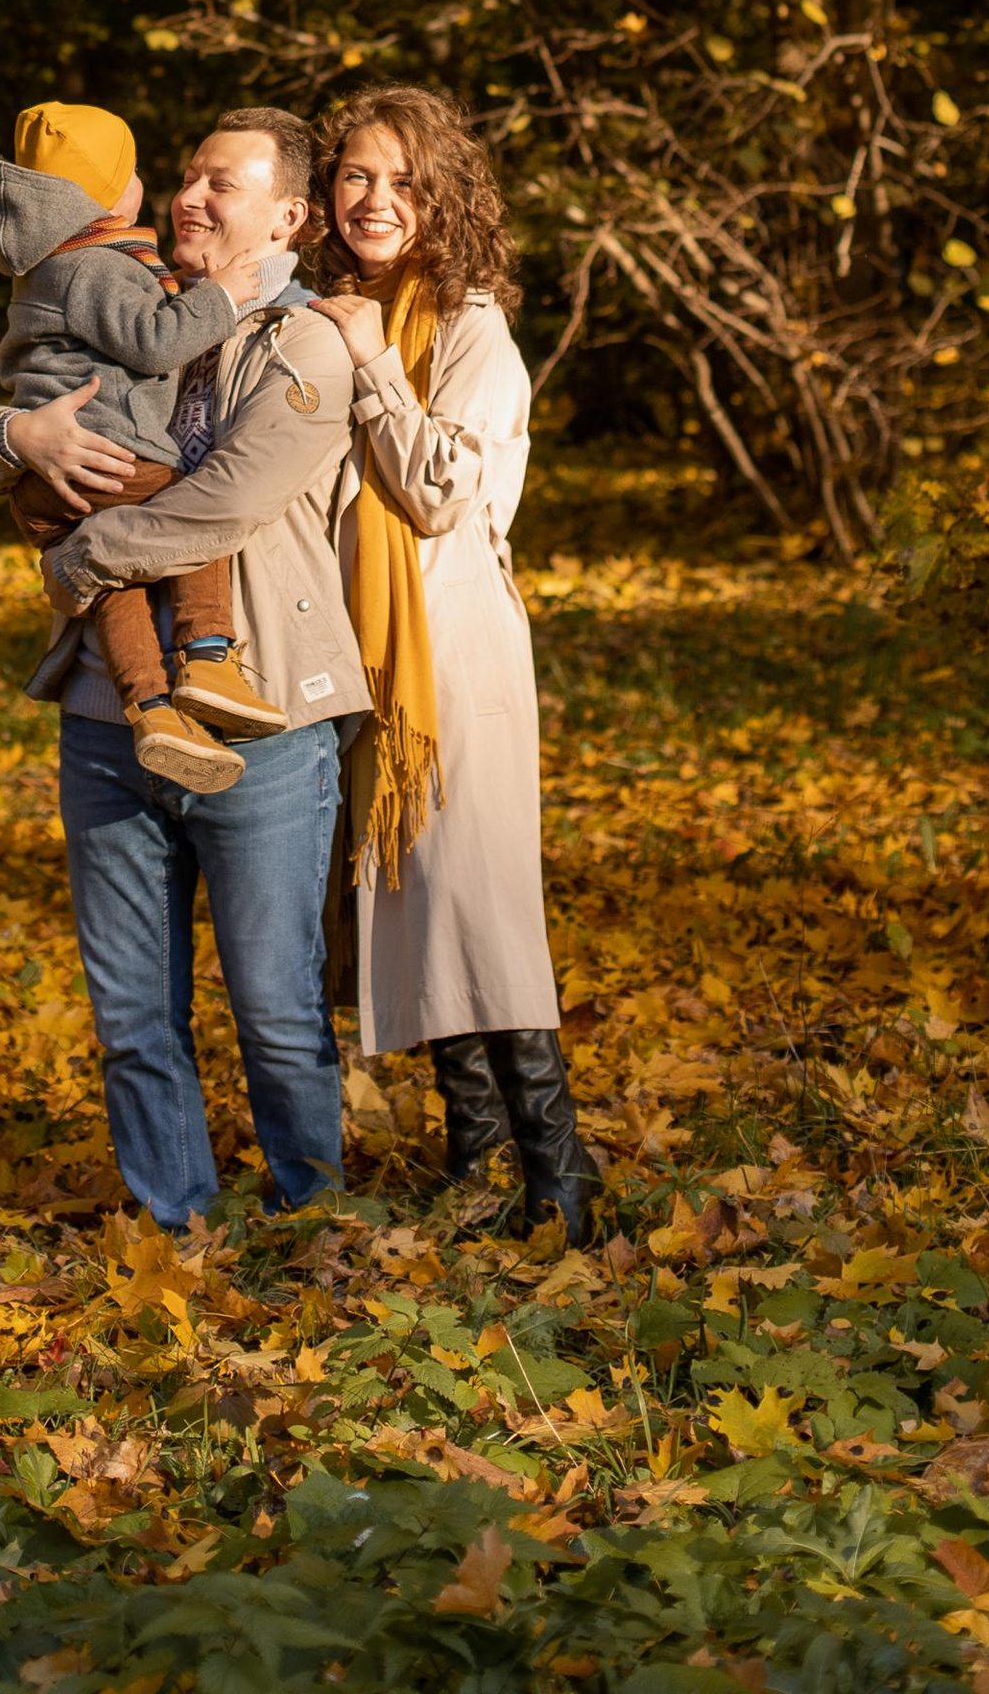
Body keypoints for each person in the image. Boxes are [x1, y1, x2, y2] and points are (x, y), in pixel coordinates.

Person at [0, 110, 368, 1230]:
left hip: (260, 719)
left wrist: (76, 554)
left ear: (287, 216)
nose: (191, 196)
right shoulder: (111, 297)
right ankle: (172, 1220)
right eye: (185, 175)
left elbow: (218, 504)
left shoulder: (306, 342)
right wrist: (15, 443)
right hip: (104, 724)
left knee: (275, 1009)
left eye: (220, 184)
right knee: (133, 1012)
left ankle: (313, 1221)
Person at [313, 82, 599, 1247]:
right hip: (373, 654)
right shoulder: (334, 308)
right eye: (355, 176)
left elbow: (437, 492)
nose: (375, 200)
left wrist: (375, 363)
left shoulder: (468, 323)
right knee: (420, 906)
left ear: (443, 197)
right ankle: (476, 1164)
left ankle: (562, 1180)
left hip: (456, 648)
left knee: (478, 910)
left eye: (402, 181)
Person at [0, 97, 286, 791]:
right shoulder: (97, 267)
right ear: (106, 192)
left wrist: (14, 438)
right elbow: (157, 341)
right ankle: (207, 655)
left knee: (115, 587)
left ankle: (149, 705)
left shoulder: (45, 263)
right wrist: (223, 297)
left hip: (52, 481)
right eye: (140, 172)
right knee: (192, 510)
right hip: (109, 458)